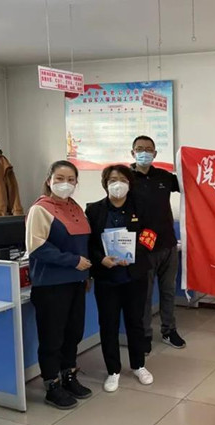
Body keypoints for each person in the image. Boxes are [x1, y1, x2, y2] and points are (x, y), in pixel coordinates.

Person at [25, 160, 93, 409]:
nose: (66, 183)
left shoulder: (75, 207)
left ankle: (69, 375)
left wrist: (86, 275)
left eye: (71, 179)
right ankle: (52, 385)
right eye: (60, 178)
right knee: (52, 337)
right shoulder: (40, 209)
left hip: (76, 282)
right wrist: (73, 261)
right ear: (49, 180)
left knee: (73, 333)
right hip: (51, 285)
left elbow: (83, 245)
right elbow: (37, 247)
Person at [85, 164, 154, 392]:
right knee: (109, 324)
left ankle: (138, 365)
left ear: (130, 184)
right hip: (107, 278)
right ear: (105, 183)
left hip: (134, 276)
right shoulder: (94, 210)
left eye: (123, 180)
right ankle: (113, 370)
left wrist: (133, 254)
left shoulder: (141, 207)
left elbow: (150, 235)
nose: (118, 184)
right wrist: (100, 259)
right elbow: (89, 243)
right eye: (113, 179)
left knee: (135, 322)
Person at [130, 136, 186, 351]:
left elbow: (191, 184)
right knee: (144, 294)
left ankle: (169, 330)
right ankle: (144, 334)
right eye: (139, 149)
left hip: (168, 243)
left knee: (168, 291)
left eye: (148, 149)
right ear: (133, 153)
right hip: (142, 247)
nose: (144, 153)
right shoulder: (125, 178)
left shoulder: (164, 177)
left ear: (154, 153)